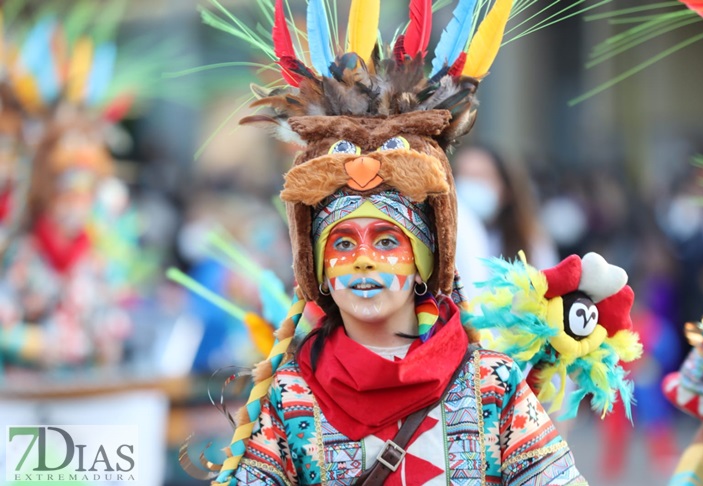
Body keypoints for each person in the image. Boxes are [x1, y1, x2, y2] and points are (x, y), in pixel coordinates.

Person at [189, 0, 641, 484]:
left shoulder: (492, 386)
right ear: (316, 268)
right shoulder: (289, 397)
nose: (362, 261)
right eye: (341, 244)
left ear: (428, 261)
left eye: (386, 241)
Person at [455, 144, 558, 297]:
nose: (468, 185)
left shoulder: (531, 242)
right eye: (462, 176)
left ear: (506, 187)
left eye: (479, 177)